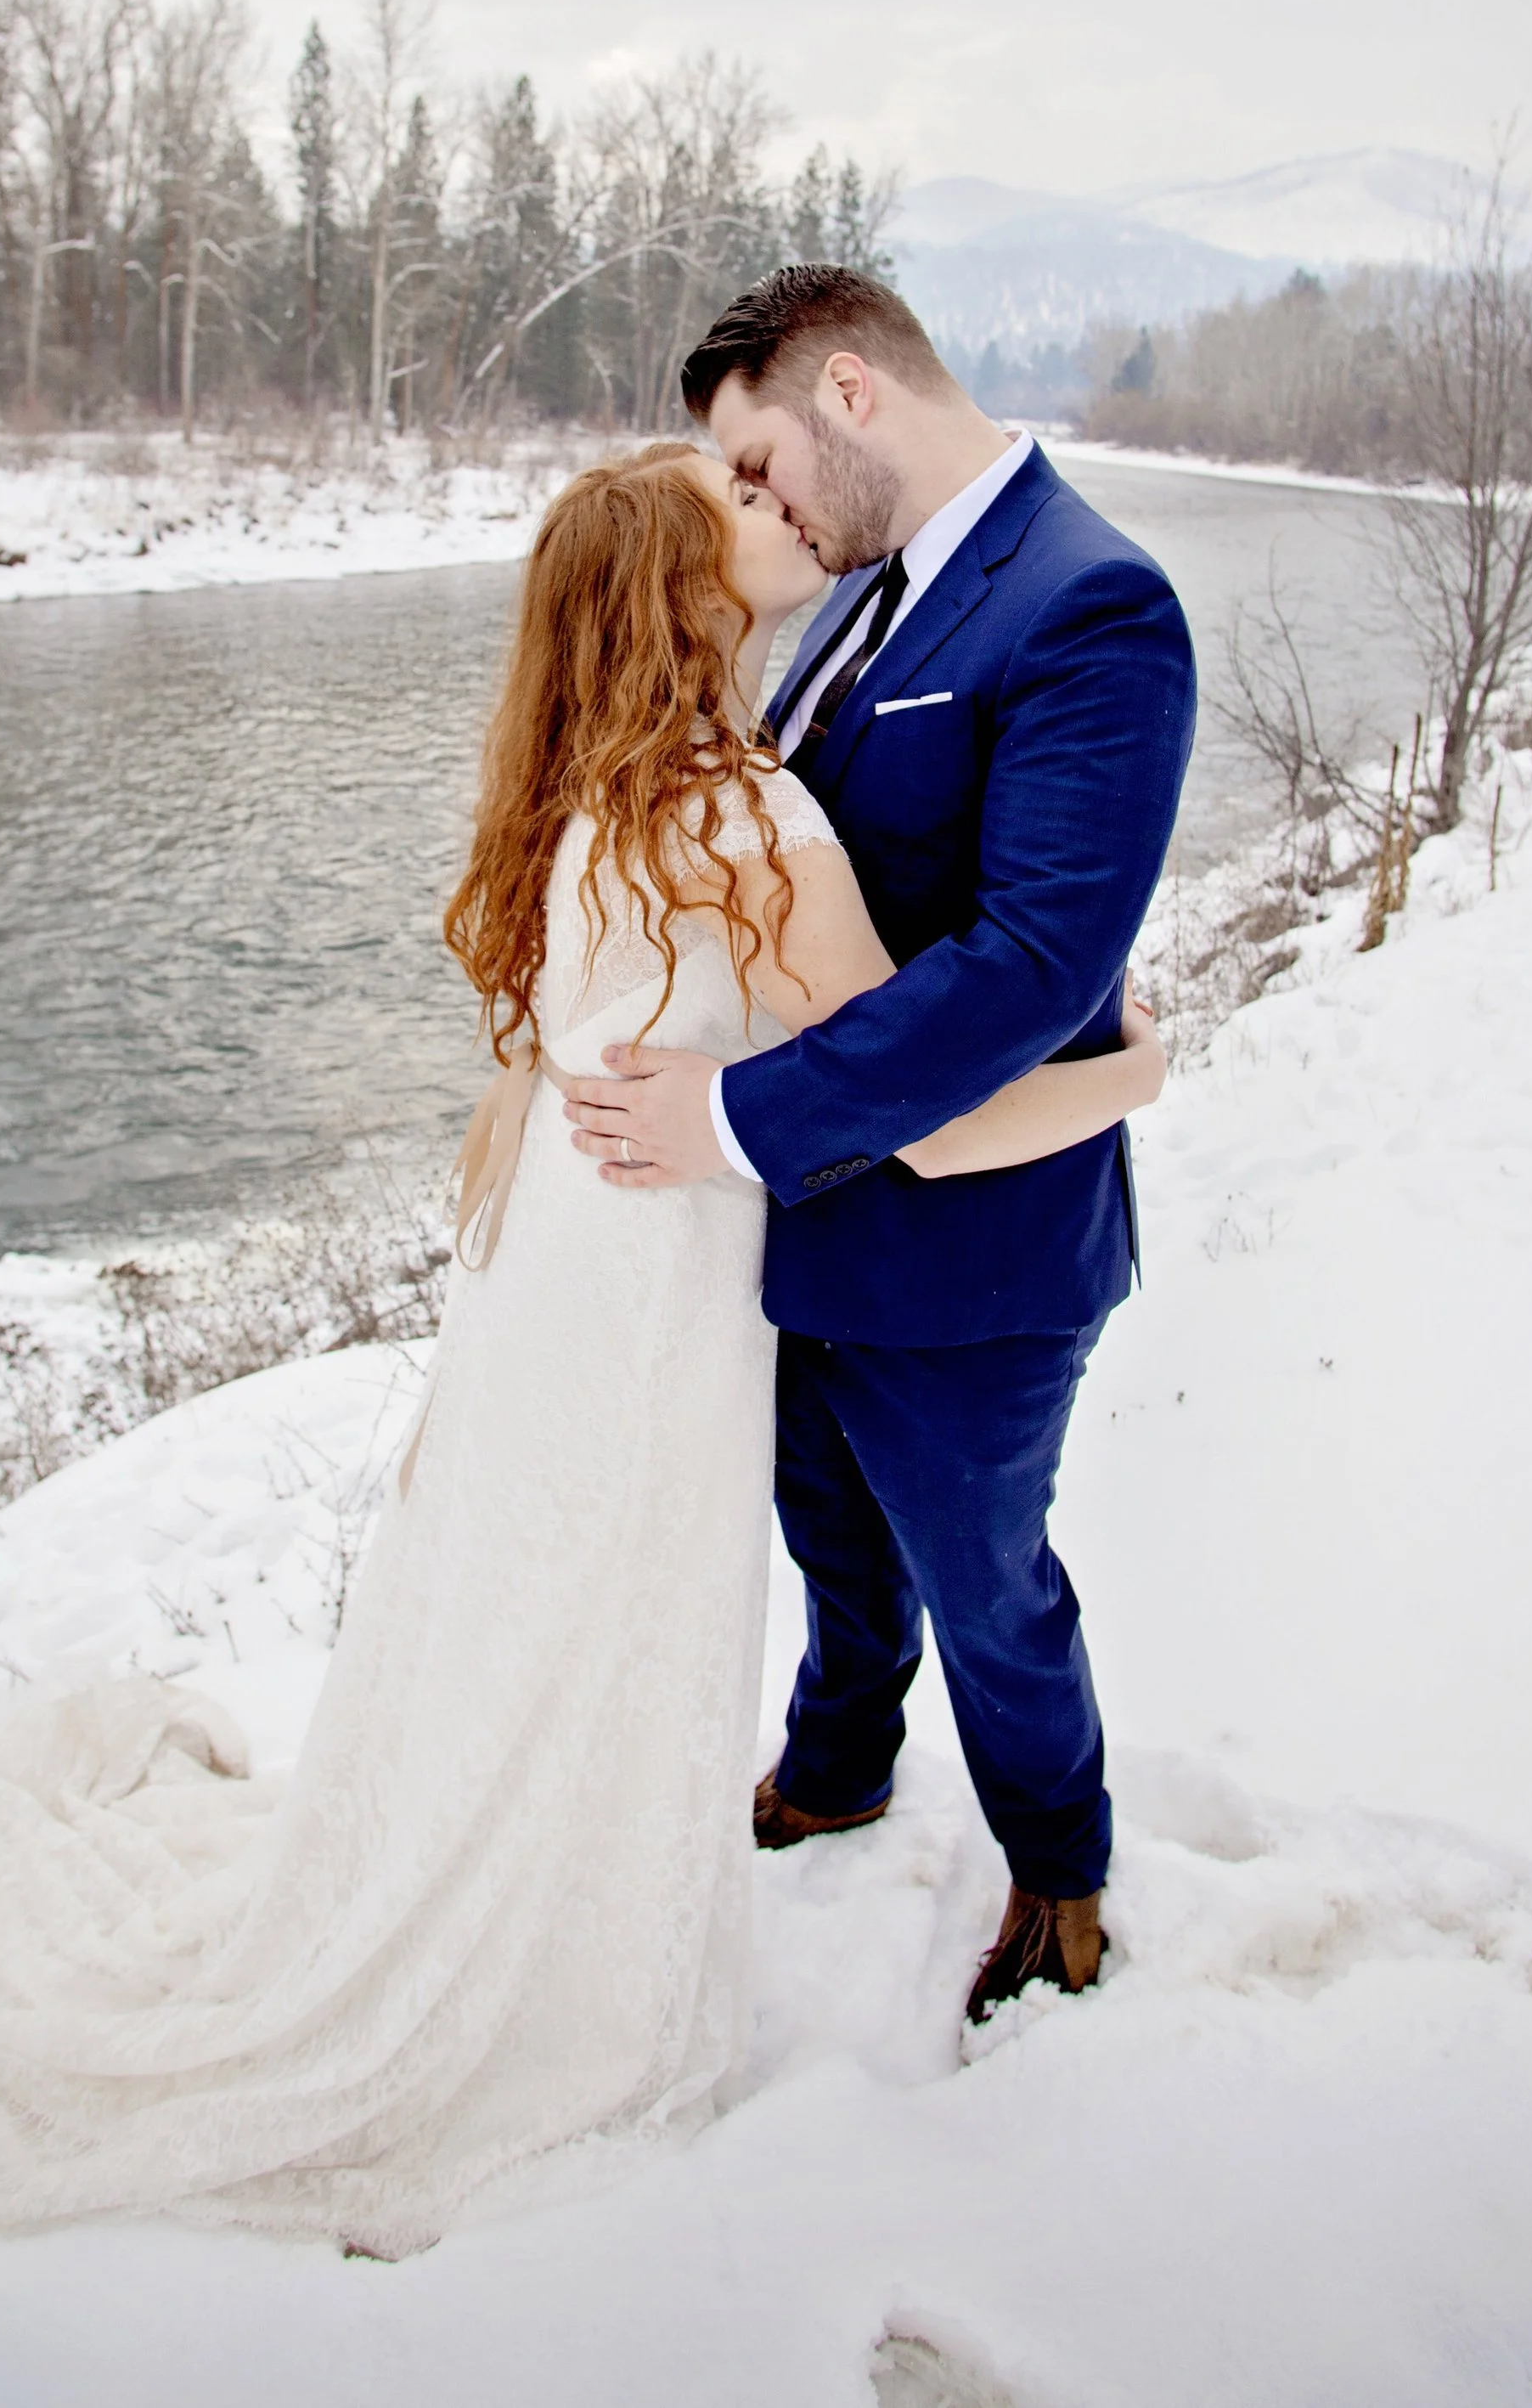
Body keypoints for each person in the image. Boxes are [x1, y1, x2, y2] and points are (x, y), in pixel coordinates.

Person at [0, 439, 1165, 2257]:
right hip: (653, 1299)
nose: (780, 510)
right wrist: (1137, 1065)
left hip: (554, 1289)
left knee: (530, 1617)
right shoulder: (752, 821)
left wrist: (472, 1358)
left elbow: (515, 1101)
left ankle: (518, 1873)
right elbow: (924, 1110)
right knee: (614, 1622)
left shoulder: (581, 798)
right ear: (686, 597)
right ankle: (543, 1966)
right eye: (741, 512)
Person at [561, 267, 1196, 2020]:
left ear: (847, 392)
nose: (754, 504)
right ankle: (837, 1761)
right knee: (833, 1549)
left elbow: (1031, 962)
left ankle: (1058, 1871)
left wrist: (734, 1116)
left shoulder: (1088, 604)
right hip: (801, 1221)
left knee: (984, 1585)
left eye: (757, 459)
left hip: (972, 1243)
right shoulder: (861, 599)